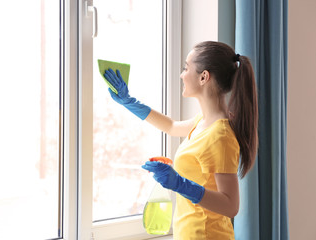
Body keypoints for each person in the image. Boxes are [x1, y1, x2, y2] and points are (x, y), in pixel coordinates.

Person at [103, 41, 258, 240]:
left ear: (204, 77)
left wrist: (179, 184)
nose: (182, 75)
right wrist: (130, 102)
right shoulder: (203, 122)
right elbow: (170, 126)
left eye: (186, 68)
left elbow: (230, 206)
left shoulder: (221, 136)